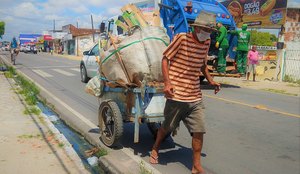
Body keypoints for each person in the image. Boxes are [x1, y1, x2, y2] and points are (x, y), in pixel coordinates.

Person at [149, 11, 221, 174]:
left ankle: (196, 166)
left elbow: (202, 64)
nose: (207, 33)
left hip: (195, 96)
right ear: (196, 28)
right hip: (177, 94)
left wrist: (210, 80)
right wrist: (167, 82)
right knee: (167, 127)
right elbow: (165, 58)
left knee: (199, 129)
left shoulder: (207, 42)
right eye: (205, 30)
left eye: (209, 31)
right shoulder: (182, 38)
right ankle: (155, 148)